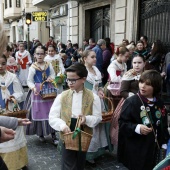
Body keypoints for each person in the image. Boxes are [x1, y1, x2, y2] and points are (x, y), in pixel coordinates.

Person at [49, 63, 102, 170]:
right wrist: (62, 126)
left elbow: (98, 117)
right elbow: (52, 117)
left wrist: (86, 119)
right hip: (67, 133)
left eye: (73, 80)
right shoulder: (62, 96)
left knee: (80, 162)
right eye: (68, 79)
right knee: (68, 164)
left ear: (83, 79)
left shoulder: (93, 97)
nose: (69, 83)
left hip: (84, 133)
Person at [118, 70, 169, 170]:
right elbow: (122, 123)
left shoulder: (159, 102)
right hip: (136, 148)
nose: (142, 86)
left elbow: (163, 123)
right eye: (141, 82)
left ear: (156, 86)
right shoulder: (131, 102)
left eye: (148, 84)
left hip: (153, 148)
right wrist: (137, 128)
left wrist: (164, 142)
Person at [0, 54, 30, 170]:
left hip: (12, 111)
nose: (0, 66)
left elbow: (20, 93)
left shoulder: (12, 77)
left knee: (14, 135)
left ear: (6, 64)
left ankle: (19, 163)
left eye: (3, 63)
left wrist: (13, 96)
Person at [82, 50, 112, 165]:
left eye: (95, 57)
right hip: (86, 102)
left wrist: (100, 92)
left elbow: (99, 86)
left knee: (98, 127)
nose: (95, 59)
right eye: (92, 57)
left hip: (97, 102)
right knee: (90, 127)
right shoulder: (82, 71)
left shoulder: (96, 70)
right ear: (85, 58)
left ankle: (96, 150)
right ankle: (87, 153)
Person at [110, 54, 146, 145]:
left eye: (139, 62)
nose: (137, 65)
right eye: (134, 63)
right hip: (130, 103)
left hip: (145, 103)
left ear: (144, 63)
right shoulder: (129, 74)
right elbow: (123, 91)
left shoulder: (147, 74)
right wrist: (134, 99)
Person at [26, 46, 57, 144]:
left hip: (48, 90)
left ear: (45, 55)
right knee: (39, 112)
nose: (40, 55)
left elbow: (53, 74)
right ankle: (41, 133)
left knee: (51, 111)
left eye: (42, 53)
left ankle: (53, 134)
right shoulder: (33, 67)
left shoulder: (48, 65)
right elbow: (29, 81)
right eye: (38, 54)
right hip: (38, 92)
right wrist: (33, 87)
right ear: (34, 55)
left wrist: (50, 79)